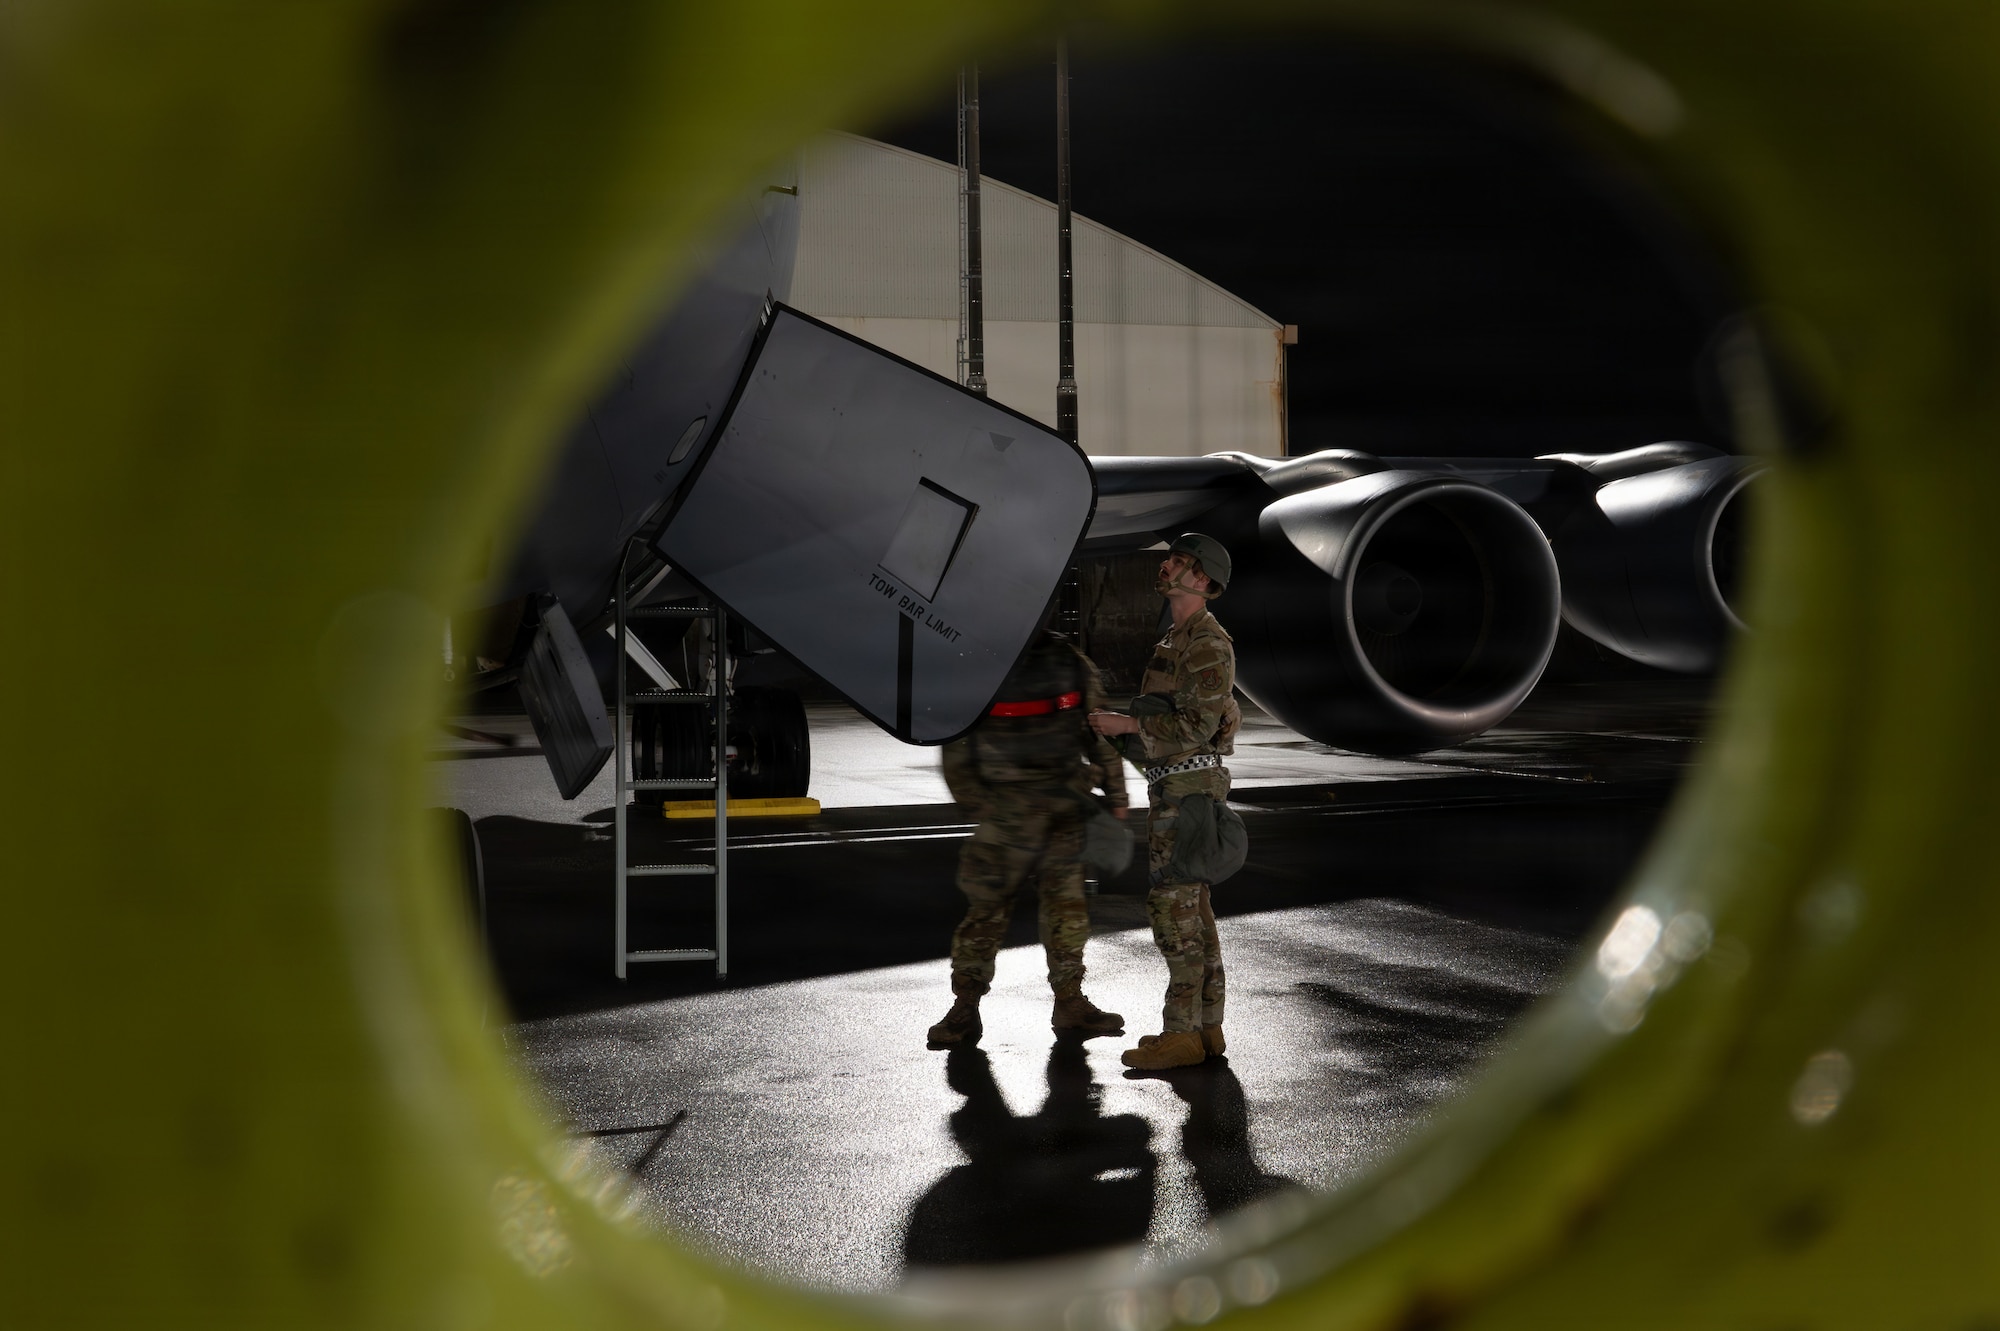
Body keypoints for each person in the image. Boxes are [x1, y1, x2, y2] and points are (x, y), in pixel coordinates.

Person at [927, 630, 1130, 1048]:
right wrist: (977, 805)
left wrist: (1117, 795)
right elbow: (956, 739)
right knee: (987, 915)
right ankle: (965, 1009)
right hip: (1010, 815)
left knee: (1066, 915)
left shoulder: (1065, 662)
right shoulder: (981, 665)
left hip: (1058, 811)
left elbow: (1097, 730)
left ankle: (1069, 1003)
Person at [1088, 533, 1239, 1070]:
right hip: (1176, 786)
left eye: (1179, 562)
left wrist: (1127, 724)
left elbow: (1197, 724)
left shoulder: (1205, 643)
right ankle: (1204, 1029)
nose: (1167, 566)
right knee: (1194, 911)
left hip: (1188, 794)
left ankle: (1181, 1034)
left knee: (1173, 913)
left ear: (1201, 580)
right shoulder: (1177, 637)